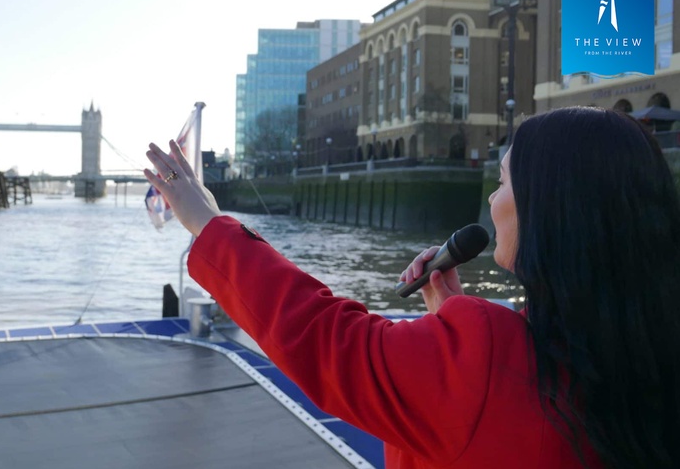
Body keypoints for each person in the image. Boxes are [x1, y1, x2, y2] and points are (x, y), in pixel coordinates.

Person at [144, 106, 680, 469]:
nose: (492, 202)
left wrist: (209, 226)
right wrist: (452, 318)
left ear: (550, 208)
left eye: (503, 182)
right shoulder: (646, 353)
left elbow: (329, 340)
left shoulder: (489, 353)